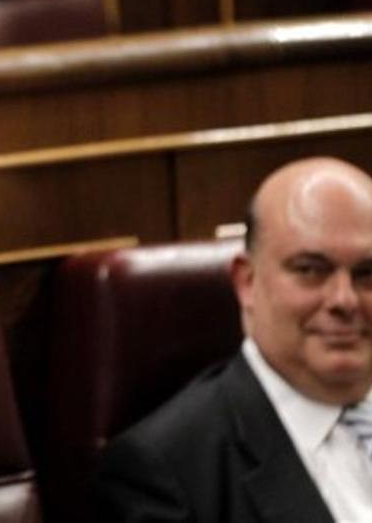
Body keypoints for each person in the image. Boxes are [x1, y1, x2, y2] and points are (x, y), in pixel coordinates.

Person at [94, 157, 372, 522]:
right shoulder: (166, 473)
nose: (344, 300)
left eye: (367, 273)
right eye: (310, 270)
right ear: (247, 282)